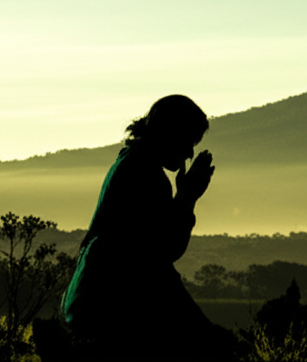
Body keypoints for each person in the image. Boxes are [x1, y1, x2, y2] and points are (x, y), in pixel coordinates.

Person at [62, 95, 232, 360]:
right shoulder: (144, 174)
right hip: (110, 305)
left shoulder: (130, 162)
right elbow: (165, 251)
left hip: (93, 300)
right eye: (189, 142)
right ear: (171, 133)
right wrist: (187, 197)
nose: (189, 153)